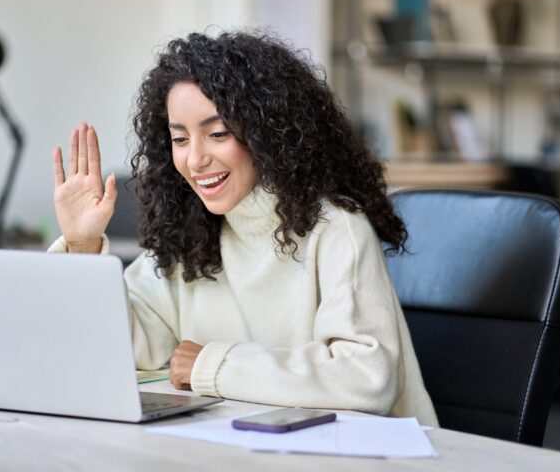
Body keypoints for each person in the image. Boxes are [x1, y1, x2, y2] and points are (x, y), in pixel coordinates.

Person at [49, 31, 438, 425]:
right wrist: (82, 246)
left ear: (269, 132)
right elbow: (120, 346)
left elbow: (366, 378)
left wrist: (214, 366)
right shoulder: (188, 233)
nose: (196, 159)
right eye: (180, 138)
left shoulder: (337, 228)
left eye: (218, 134)